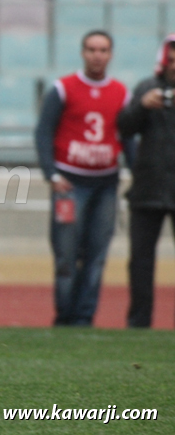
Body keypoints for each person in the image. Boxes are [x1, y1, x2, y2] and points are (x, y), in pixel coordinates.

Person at [34, 30, 132, 327]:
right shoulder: (63, 89)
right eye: (91, 49)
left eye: (102, 50)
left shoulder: (121, 93)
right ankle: (64, 316)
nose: (97, 55)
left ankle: (84, 318)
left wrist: (137, 170)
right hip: (69, 185)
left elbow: (128, 138)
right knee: (66, 256)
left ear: (111, 54)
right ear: (82, 52)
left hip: (105, 184)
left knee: (97, 256)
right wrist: (51, 172)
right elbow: (43, 132)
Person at [117, 34, 175, 328]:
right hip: (148, 188)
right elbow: (124, 127)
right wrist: (142, 105)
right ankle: (139, 321)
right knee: (140, 262)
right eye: (172, 61)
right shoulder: (146, 88)